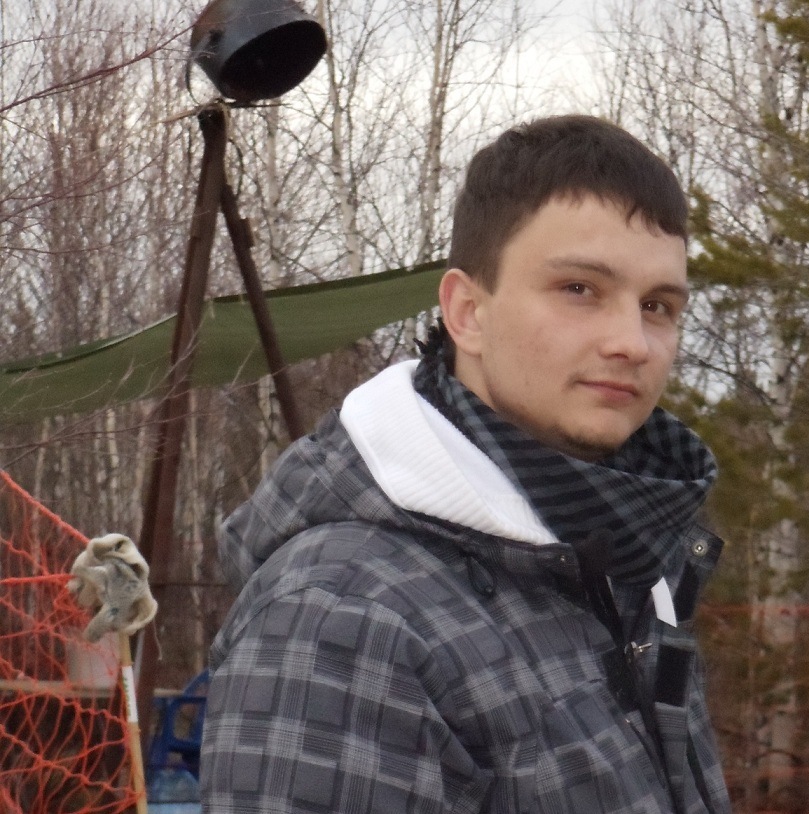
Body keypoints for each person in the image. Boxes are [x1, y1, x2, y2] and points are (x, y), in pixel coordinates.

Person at [200, 114, 731, 814]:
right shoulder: (345, 617)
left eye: (657, 305)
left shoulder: (624, 557)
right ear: (468, 312)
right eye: (579, 289)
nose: (632, 342)